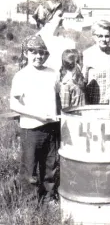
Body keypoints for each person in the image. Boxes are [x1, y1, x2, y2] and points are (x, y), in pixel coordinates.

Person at [10, 35, 60, 204]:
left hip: (51, 128)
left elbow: (60, 96)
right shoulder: (21, 76)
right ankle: (30, 202)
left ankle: (48, 198)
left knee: (50, 166)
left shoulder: (53, 73)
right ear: (26, 54)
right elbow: (14, 105)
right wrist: (37, 115)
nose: (38, 56)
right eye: (34, 52)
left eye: (42, 53)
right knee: (29, 167)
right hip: (31, 128)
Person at [82, 20, 110, 104]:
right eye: (100, 36)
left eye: (107, 36)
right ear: (94, 37)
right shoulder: (87, 55)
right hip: (92, 102)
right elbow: (83, 83)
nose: (103, 39)